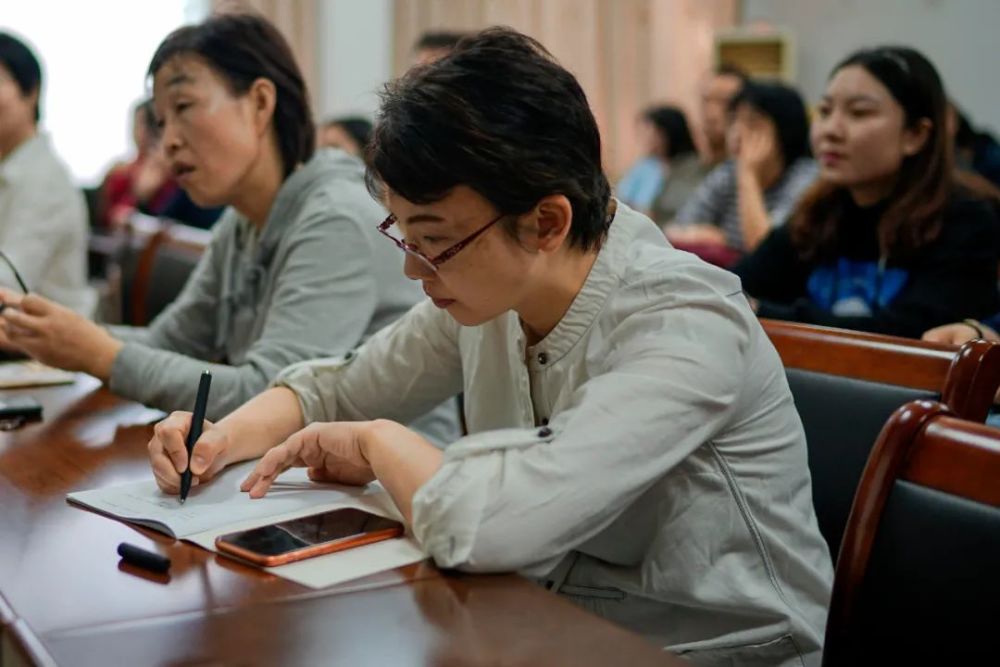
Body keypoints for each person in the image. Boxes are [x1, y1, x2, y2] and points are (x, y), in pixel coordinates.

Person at [146, 27, 832, 665]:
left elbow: (489, 523)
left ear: (547, 222)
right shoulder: (491, 292)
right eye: (404, 236)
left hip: (720, 649)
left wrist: (380, 444)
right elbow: (337, 385)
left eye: (435, 241)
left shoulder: (685, 319)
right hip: (544, 619)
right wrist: (217, 437)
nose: (414, 269)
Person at [0, 14, 460, 445]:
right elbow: (171, 342)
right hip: (299, 472)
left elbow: (268, 396)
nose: (170, 140)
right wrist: (62, 336)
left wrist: (98, 353)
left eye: (184, 107)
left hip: (386, 489)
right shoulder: (243, 220)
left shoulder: (335, 214)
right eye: (161, 122)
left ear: (260, 102)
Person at [735, 47, 1000, 338]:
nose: (830, 131)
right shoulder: (820, 212)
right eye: (824, 111)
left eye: (859, 113)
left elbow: (912, 336)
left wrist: (762, 312)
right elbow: (737, 283)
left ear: (915, 135)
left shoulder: (967, 221)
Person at [0, 32, 95, 316]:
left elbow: (8, 280)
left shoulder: (46, 181)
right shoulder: (11, 167)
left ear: (32, 92)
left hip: (44, 348)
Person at [667, 81, 816, 255]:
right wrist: (704, 236)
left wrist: (748, 174)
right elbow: (674, 230)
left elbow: (767, 250)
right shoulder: (728, 172)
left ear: (785, 131)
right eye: (733, 121)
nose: (737, 132)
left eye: (752, 123)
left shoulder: (806, 177)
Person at [98, 99, 223, 229]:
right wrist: (139, 196)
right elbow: (109, 219)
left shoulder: (181, 175)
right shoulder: (121, 171)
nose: (140, 132)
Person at [615, 105, 704, 223]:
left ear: (669, 133)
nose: (647, 138)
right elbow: (621, 198)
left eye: (653, 132)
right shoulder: (644, 166)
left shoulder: (692, 166)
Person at [698, 64, 747, 169]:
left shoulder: (751, 176)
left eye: (723, 101)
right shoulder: (685, 170)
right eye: (706, 101)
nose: (710, 113)